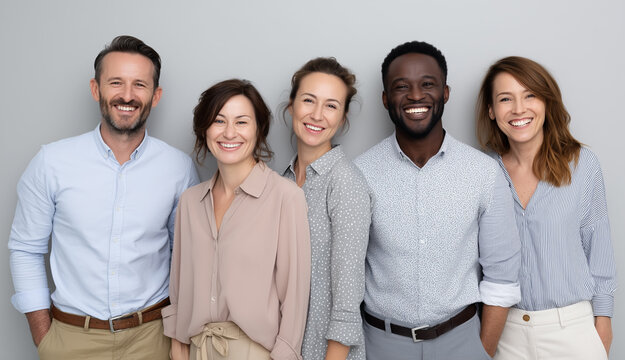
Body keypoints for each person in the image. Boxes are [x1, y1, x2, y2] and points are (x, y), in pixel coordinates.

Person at [8, 35, 199, 359]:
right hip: (71, 340)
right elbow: (26, 248)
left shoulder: (178, 168)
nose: (127, 95)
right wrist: (44, 337)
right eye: (116, 82)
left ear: (156, 95)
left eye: (140, 84)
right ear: (96, 89)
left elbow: (186, 255)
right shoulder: (51, 163)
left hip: (152, 339)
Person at [354, 41, 521, 360]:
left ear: (445, 92)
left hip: (462, 343)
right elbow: (347, 275)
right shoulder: (359, 174)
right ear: (386, 99)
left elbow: (502, 277)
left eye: (427, 84)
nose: (416, 95)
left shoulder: (484, 172)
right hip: (381, 346)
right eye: (402, 86)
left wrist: (480, 353)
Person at [476, 56, 617, 360]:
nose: (518, 109)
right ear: (491, 110)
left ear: (547, 102)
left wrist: (603, 320)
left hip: (573, 330)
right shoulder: (480, 173)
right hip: (505, 332)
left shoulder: (582, 164)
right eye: (505, 99)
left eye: (530, 95)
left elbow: (599, 244)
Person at [162, 79, 311, 360]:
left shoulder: (285, 197)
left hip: (256, 352)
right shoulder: (190, 202)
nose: (229, 133)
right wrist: (179, 348)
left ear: (259, 130)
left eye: (241, 122)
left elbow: (295, 297)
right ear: (204, 129)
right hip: (197, 349)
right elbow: (180, 286)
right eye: (219, 121)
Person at [282, 58, 372, 360]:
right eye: (309, 100)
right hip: (282, 345)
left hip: (325, 351)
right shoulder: (282, 180)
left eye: (331, 105)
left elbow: (348, 295)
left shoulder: (345, 183)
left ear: (343, 117)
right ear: (292, 105)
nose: (317, 115)